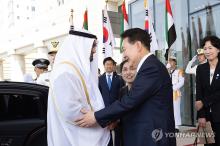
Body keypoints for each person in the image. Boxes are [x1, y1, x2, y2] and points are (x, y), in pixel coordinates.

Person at [75, 28, 176, 146]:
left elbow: (130, 101)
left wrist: (96, 116)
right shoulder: (149, 66)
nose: (124, 55)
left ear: (138, 45)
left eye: (124, 49)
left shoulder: (151, 67)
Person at [47, 29, 110, 146]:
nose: (94, 50)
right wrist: (100, 118)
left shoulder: (75, 69)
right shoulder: (65, 72)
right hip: (75, 138)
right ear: (80, 45)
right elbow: (71, 110)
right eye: (92, 46)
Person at [195, 36, 220, 146]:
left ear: (218, 49)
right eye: (205, 49)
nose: (207, 51)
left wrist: (204, 102)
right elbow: (199, 93)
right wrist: (201, 115)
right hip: (207, 117)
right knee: (209, 144)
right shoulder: (200, 69)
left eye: (210, 48)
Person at [99, 57, 124, 146]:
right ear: (104, 66)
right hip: (105, 110)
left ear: (113, 66)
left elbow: (122, 95)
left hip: (117, 110)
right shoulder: (100, 79)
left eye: (110, 64)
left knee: (117, 134)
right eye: (107, 64)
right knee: (106, 134)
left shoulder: (120, 79)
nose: (109, 66)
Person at [166, 56, 184, 131]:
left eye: (171, 61)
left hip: (175, 92)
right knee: (168, 109)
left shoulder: (179, 71)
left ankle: (176, 126)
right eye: (169, 61)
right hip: (167, 92)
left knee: (175, 109)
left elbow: (182, 82)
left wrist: (173, 88)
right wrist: (167, 69)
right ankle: (170, 125)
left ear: (175, 62)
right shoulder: (167, 71)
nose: (170, 62)